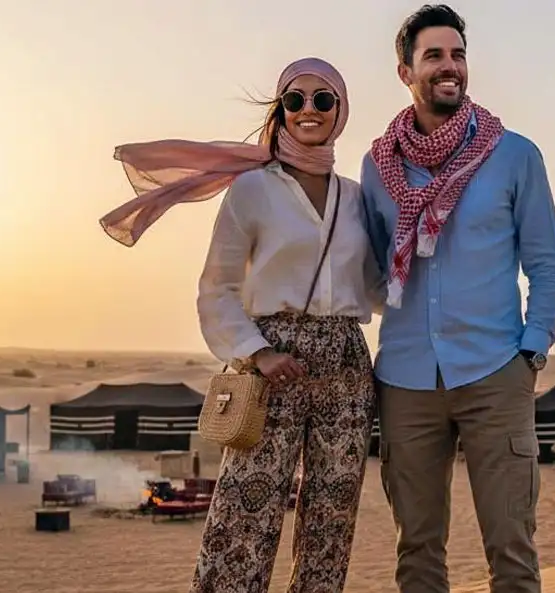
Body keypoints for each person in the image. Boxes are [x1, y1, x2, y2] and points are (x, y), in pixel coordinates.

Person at [99, 57, 381, 593]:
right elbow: (217, 287)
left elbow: (373, 286)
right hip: (271, 362)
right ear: (281, 109)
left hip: (346, 365)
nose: (308, 110)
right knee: (245, 512)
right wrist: (257, 352)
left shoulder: (357, 197)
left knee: (332, 515)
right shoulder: (253, 189)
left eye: (323, 99)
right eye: (295, 99)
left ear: (340, 111)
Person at [359, 5, 555, 593]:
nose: (449, 66)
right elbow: (370, 272)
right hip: (405, 380)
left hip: (495, 373)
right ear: (406, 72)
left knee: (512, 552)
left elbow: (547, 264)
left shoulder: (514, 155)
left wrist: (532, 352)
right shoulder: (377, 167)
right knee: (417, 555)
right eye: (434, 56)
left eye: (458, 54)